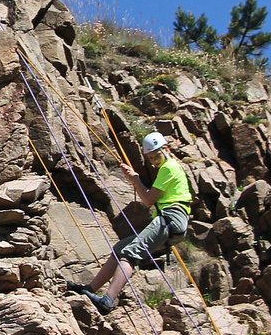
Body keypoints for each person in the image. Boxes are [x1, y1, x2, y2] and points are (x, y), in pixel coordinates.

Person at [71, 131, 192, 314]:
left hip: (170, 218)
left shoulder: (169, 167)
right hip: (172, 221)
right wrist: (134, 178)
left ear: (166, 149)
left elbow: (148, 200)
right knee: (121, 248)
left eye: (156, 156)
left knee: (130, 254)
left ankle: (108, 300)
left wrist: (135, 180)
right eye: (150, 158)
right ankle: (90, 289)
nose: (154, 161)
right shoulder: (169, 168)